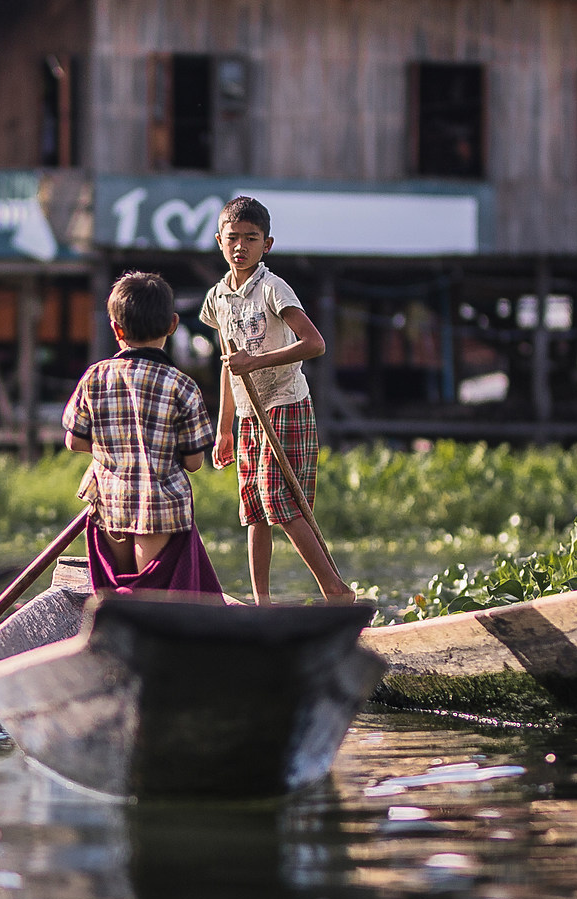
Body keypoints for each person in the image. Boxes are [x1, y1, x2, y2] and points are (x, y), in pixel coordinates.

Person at [200, 196, 356, 602]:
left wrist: (255, 361)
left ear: (266, 244)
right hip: (248, 414)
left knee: (280, 503)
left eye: (251, 239)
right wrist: (224, 428)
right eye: (233, 238)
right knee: (253, 510)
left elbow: (314, 343)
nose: (240, 247)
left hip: (284, 403)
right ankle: (262, 603)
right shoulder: (218, 297)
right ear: (219, 241)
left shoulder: (272, 288)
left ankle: (335, 591)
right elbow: (229, 365)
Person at [61, 271, 225, 596]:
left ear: (116, 329)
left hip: (109, 501)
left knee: (121, 594)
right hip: (159, 507)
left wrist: (116, 447)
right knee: (153, 597)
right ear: (173, 324)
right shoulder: (183, 386)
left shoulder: (95, 376)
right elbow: (194, 463)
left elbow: (74, 440)